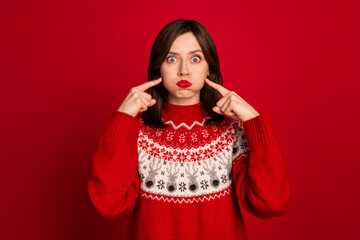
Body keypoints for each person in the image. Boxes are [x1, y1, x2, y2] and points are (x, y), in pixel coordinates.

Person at [87, 19, 291, 240]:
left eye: (195, 59)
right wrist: (123, 118)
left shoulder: (232, 129)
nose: (183, 70)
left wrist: (255, 121)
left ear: (209, 68)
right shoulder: (134, 129)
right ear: (158, 68)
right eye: (171, 59)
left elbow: (271, 204)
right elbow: (105, 205)